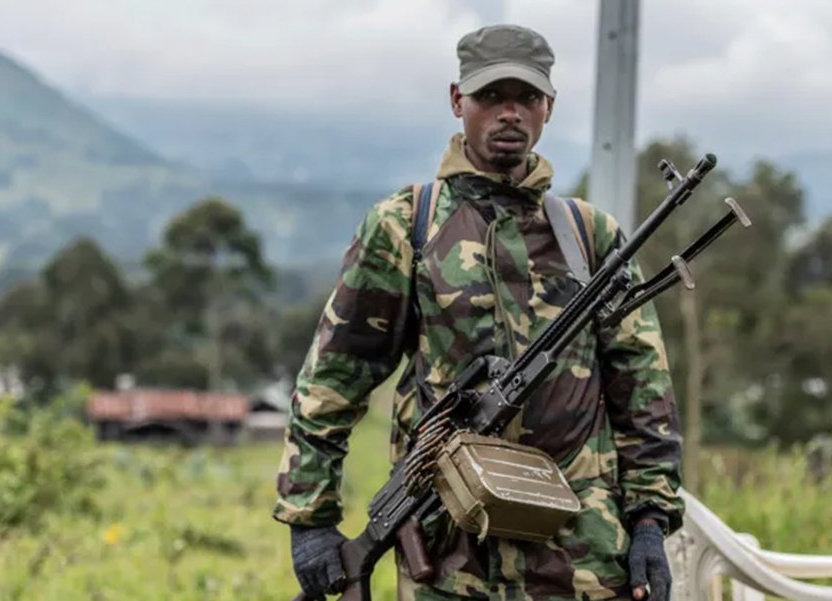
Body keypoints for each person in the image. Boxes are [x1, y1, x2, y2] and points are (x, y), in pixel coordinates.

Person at [274, 23, 684, 601]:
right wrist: (310, 518)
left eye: (527, 98)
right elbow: (334, 376)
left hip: (583, 553)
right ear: (456, 100)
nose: (509, 113)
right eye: (491, 96)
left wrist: (648, 521)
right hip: (450, 551)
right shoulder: (405, 225)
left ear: (549, 108)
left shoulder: (590, 236)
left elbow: (643, 388)